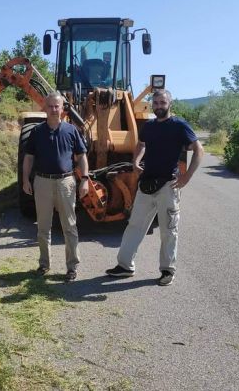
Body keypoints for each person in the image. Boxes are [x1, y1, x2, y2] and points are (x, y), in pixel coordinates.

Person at [105, 89, 204, 286]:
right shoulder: (149, 126)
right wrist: (136, 161)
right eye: (156, 103)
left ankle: (167, 270)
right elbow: (141, 144)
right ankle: (125, 266)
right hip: (146, 184)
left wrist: (186, 177)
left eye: (162, 102)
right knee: (135, 225)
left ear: (170, 104)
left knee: (168, 229)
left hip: (168, 184)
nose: (159, 106)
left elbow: (199, 149)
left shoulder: (179, 126)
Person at [22, 91, 89, 282]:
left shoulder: (71, 130)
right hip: (42, 182)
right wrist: (26, 180)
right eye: (50, 106)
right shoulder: (36, 132)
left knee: (70, 226)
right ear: (45, 108)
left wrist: (84, 179)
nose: (53, 109)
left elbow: (81, 156)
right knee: (43, 227)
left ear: (62, 108)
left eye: (56, 106)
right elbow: (28, 158)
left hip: (66, 182)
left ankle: (72, 267)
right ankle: (44, 264)